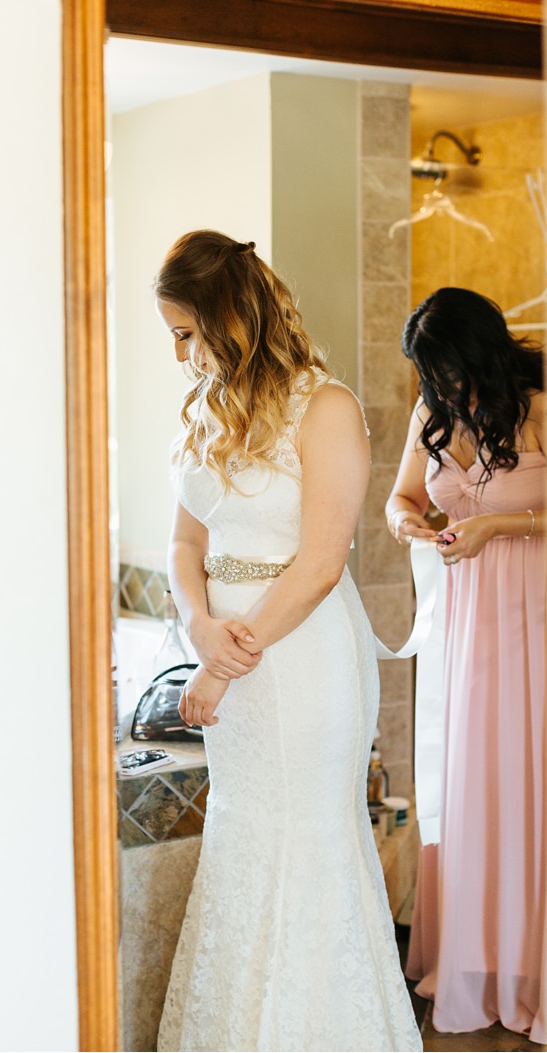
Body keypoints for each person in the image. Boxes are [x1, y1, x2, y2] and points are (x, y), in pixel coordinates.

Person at [151, 230, 420, 1051]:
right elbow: (183, 546)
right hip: (229, 656)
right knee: (244, 831)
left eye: (187, 334)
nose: (181, 356)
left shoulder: (325, 406)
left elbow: (320, 559)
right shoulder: (204, 411)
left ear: (230, 318)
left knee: (306, 835)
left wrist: (227, 659)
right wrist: (201, 626)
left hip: (304, 664)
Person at [385, 287, 547, 1041]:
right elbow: (398, 499)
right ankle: (479, 959)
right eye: (430, 375)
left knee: (532, 779)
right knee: (473, 775)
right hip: (468, 618)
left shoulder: (541, 405)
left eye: (448, 369)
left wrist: (499, 527)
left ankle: (540, 963)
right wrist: (413, 523)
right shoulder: (431, 417)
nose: (442, 387)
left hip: (541, 613)